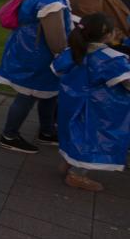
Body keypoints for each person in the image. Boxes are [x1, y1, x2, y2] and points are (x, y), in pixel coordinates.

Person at [0, 0, 80, 154]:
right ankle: (9, 135)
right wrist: (65, 55)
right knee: (28, 94)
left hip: (27, 48)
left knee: (49, 93)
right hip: (38, 55)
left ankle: (47, 131)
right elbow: (56, 39)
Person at [53, 13, 130, 192]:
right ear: (108, 34)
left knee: (74, 133)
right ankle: (76, 175)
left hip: (71, 103)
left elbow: (57, 69)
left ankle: (68, 163)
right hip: (98, 109)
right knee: (91, 140)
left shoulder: (72, 52)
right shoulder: (110, 59)